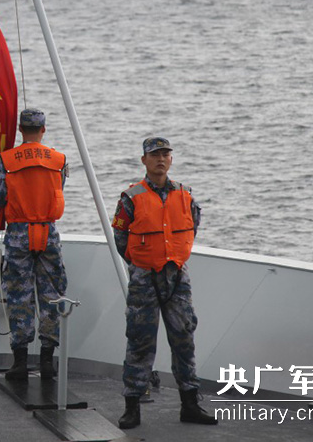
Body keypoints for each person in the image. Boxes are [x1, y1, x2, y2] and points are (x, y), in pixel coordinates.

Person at [111, 136, 217, 429]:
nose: (160, 159)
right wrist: (143, 261)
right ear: (144, 160)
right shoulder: (131, 198)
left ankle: (190, 404)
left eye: (165, 154)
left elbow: (192, 227)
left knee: (184, 338)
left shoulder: (185, 195)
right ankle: (132, 406)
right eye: (154, 154)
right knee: (140, 341)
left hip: (177, 277)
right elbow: (121, 239)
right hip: (145, 278)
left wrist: (173, 255)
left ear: (171, 159)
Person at [0, 108, 67, 381]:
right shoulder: (58, 160)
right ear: (43, 129)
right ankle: (47, 360)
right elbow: (59, 189)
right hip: (48, 233)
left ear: (20, 130)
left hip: (19, 233)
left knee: (19, 296)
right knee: (51, 295)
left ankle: (20, 361)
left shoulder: (7, 161)